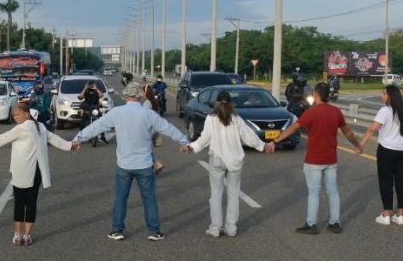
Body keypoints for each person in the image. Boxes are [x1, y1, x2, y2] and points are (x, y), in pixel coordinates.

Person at [74, 82, 189, 241]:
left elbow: (96, 127)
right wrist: (184, 142)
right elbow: (168, 128)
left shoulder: (117, 112)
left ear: (125, 96)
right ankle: (154, 231)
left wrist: (78, 138)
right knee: (149, 198)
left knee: (121, 198)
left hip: (124, 164)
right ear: (140, 96)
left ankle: (117, 230)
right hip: (145, 164)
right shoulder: (148, 114)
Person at [0, 102, 77, 245]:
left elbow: (2, 138)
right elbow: (54, 139)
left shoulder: (22, 128)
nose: (15, 117)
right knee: (31, 203)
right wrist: (70, 145)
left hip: (22, 171)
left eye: (17, 114)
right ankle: (27, 235)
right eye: (14, 115)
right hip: (37, 172)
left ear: (27, 114)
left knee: (19, 202)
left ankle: (18, 235)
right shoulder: (40, 126)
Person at [274, 82, 362, 235]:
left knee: (314, 192)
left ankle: (311, 224)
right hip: (331, 159)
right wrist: (358, 146)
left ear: (316, 94)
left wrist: (276, 140)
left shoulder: (312, 112)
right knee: (333, 191)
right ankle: (334, 223)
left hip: (314, 160)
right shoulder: (336, 112)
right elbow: (347, 132)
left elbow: (294, 127)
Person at [185, 91, 275, 237]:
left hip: (217, 159)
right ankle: (231, 228)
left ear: (216, 103)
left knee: (216, 194)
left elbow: (204, 139)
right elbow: (249, 137)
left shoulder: (211, 119)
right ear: (231, 104)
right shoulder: (236, 119)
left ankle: (215, 228)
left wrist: (191, 147)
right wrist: (264, 146)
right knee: (233, 194)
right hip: (234, 160)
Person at [358, 86, 403, 225]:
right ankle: (400, 215)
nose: (382, 96)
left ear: (391, 96)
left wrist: (360, 145)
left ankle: (386, 214)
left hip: (386, 152)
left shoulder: (385, 111)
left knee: (386, 182)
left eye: (384, 94)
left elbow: (372, 129)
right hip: (402, 153)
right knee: (401, 183)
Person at [141, 85, 164, 174]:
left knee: (144, 149)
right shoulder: (154, 101)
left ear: (145, 93)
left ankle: (155, 165)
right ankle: (155, 165)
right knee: (146, 148)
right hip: (155, 127)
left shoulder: (147, 103)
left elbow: (144, 117)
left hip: (148, 128)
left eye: (142, 91)